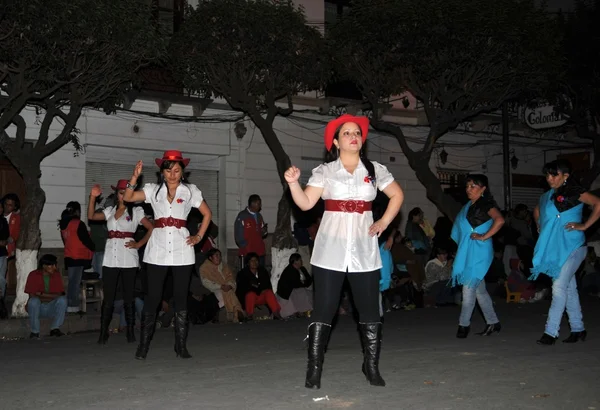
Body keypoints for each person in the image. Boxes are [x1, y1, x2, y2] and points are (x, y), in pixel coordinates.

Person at [284, 114, 404, 389]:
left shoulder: (374, 170)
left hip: (364, 251)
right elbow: (305, 204)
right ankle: (314, 370)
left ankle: (371, 367)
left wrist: (384, 222)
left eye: (357, 133)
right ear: (336, 142)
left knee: (369, 310)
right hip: (330, 251)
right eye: (347, 133)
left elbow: (397, 195)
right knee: (324, 310)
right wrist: (293, 183)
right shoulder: (325, 172)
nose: (353, 136)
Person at [123, 150, 212, 360]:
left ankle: (180, 346)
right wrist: (134, 178)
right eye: (169, 170)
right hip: (158, 250)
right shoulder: (153, 190)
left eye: (177, 170)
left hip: (182, 249)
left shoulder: (190, 191)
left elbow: (207, 214)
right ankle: (143, 346)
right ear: (162, 172)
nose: (173, 174)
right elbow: (128, 197)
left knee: (181, 298)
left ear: (182, 172)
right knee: (153, 298)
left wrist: (199, 236)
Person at [530, 160, 600, 345]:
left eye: (555, 175)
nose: (550, 179)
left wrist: (584, 225)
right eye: (548, 175)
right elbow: (537, 210)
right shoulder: (546, 196)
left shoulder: (576, 191)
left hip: (574, 246)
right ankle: (578, 329)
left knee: (559, 286)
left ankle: (550, 332)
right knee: (569, 288)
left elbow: (598, 204)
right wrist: (539, 224)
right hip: (555, 248)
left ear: (566, 176)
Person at [87, 179, 153, 344]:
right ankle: (103, 332)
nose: (122, 195)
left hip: (128, 258)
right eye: (120, 192)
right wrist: (92, 198)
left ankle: (130, 331)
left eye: (125, 192)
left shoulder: (136, 211)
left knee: (129, 297)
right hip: (110, 257)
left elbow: (151, 227)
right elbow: (91, 216)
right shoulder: (110, 209)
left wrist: (138, 243)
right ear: (116, 194)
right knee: (108, 297)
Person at [451, 174, 505, 339]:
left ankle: (463, 325)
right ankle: (493, 322)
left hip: (479, 250)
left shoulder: (486, 204)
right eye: (467, 186)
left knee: (468, 287)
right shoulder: (467, 205)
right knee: (479, 290)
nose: (469, 189)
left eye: (473, 186)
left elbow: (500, 220)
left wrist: (484, 236)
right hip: (468, 250)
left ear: (483, 189)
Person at [59, 201, 94, 314]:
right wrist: (94, 247)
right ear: (77, 211)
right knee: (75, 282)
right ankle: (73, 305)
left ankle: (70, 304)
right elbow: (86, 240)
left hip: (69, 256)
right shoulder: (78, 223)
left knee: (72, 282)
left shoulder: (63, 224)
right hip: (78, 256)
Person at [25, 254, 67, 339]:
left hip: (51, 307)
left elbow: (60, 294)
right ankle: (35, 331)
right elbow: (32, 295)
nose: (54, 268)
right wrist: (51, 296)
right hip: (38, 308)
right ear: (44, 266)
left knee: (63, 300)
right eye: (52, 265)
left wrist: (41, 294)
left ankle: (55, 328)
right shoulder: (33, 275)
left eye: (55, 265)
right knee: (33, 301)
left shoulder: (56, 274)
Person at [199, 248, 246, 323]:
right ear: (210, 258)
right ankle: (237, 312)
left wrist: (230, 285)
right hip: (213, 289)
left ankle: (233, 313)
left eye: (220, 256)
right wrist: (220, 286)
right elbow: (206, 282)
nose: (219, 258)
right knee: (226, 293)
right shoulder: (204, 268)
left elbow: (231, 277)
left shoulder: (224, 266)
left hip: (226, 288)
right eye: (216, 256)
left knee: (228, 292)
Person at [236, 252, 281, 320]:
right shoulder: (243, 273)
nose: (255, 262)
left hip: (261, 296)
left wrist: (260, 288)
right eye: (252, 261)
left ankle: (276, 313)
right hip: (250, 298)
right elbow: (244, 289)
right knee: (250, 294)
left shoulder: (262, 271)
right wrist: (259, 289)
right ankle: (249, 314)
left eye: (256, 260)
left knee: (268, 292)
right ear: (248, 262)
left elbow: (267, 285)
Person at [234, 195, 268, 268]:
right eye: (259, 204)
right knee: (248, 274)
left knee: (261, 272)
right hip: (248, 251)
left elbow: (262, 233)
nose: (260, 206)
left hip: (259, 250)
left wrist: (264, 231)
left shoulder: (259, 216)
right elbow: (238, 235)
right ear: (253, 204)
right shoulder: (242, 216)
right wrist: (245, 246)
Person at [276, 253, 313, 318]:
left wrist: (304, 283)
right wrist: (304, 283)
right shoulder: (290, 270)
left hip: (301, 288)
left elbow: (309, 279)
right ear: (295, 261)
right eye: (299, 260)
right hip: (288, 293)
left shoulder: (302, 269)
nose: (301, 261)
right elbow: (296, 284)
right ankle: (302, 310)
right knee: (302, 292)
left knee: (308, 293)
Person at [0, 201, 9, 318]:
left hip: (2, 253)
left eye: (1, 207)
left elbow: (6, 237)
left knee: (1, 278)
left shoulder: (3, 221)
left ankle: (1, 302)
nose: (0, 209)